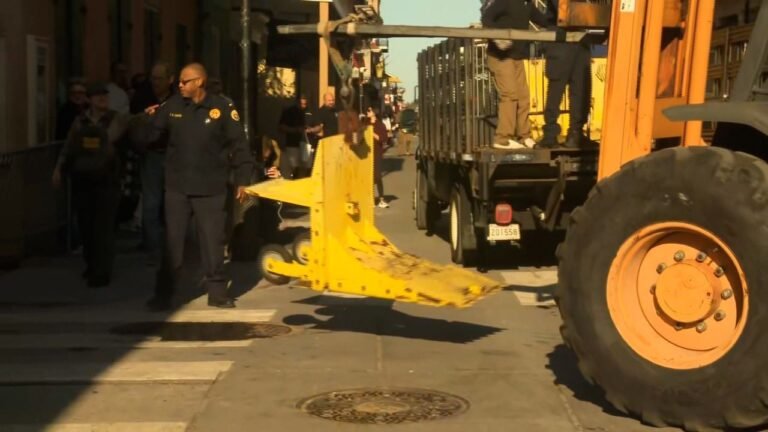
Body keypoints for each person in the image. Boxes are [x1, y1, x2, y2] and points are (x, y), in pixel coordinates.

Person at [141, 62, 255, 311]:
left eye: (185, 81)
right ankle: (164, 294)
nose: (179, 85)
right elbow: (152, 139)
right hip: (178, 188)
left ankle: (217, 293)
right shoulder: (171, 107)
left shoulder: (222, 108)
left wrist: (243, 179)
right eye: (179, 82)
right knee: (173, 243)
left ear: (199, 82)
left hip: (211, 188)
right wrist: (148, 122)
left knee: (213, 242)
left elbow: (239, 145)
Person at [52, 82, 131, 287]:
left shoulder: (116, 118)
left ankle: (102, 271)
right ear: (90, 99)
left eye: (104, 95)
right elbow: (69, 146)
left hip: (108, 180)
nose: (102, 99)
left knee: (103, 229)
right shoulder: (80, 121)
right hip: (83, 180)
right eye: (97, 96)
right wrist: (59, 168)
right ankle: (91, 264)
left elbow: (111, 137)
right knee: (87, 227)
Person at [531, 0, 593, 149]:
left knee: (579, 89)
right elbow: (562, 9)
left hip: (578, 41)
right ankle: (552, 135)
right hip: (562, 41)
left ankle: (575, 133)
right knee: (557, 89)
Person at [481, 0, 538, 150]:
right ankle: (502, 138)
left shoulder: (528, 4)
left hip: (516, 57)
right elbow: (486, 17)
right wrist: (498, 37)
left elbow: (543, 19)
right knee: (510, 94)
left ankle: (524, 136)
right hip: (500, 55)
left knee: (523, 96)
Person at [136, 61, 175, 266]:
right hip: (151, 156)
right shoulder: (143, 97)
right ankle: (152, 249)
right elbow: (131, 123)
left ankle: (172, 249)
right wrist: (144, 118)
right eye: (153, 78)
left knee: (173, 203)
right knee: (151, 204)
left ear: (170, 80)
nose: (155, 82)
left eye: (160, 78)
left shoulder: (177, 101)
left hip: (173, 156)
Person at [278, 95, 311, 179]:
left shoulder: (307, 112)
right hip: (292, 145)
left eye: (305, 103)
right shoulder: (289, 111)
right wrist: (295, 130)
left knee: (304, 168)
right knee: (293, 167)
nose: (303, 105)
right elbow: (281, 127)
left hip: (305, 145)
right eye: (302, 103)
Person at [366, 106, 389, 209]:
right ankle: (369, 199)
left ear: (374, 113)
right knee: (368, 177)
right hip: (366, 154)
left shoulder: (380, 125)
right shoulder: (365, 123)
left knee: (378, 176)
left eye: (369, 111)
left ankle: (381, 199)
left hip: (377, 154)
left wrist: (372, 133)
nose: (367, 112)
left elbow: (383, 139)